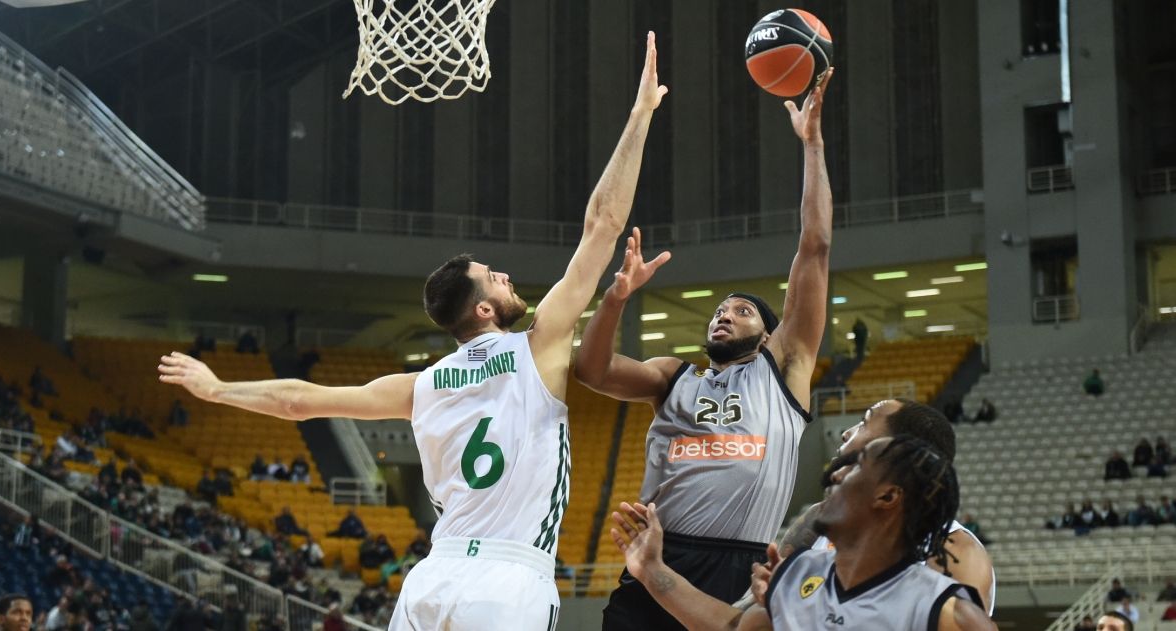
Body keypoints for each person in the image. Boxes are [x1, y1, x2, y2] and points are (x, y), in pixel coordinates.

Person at [159, 30, 667, 631]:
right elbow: (603, 223)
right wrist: (640, 115)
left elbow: (298, 401)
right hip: (509, 578)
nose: (505, 276)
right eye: (493, 278)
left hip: (433, 577)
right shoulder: (539, 347)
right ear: (483, 311)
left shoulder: (420, 384)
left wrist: (217, 388)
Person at [575, 69, 835, 631]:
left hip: (741, 563)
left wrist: (812, 146)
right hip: (660, 552)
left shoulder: (783, 367)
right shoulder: (675, 376)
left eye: (742, 310)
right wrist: (614, 299)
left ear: (767, 335)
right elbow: (591, 371)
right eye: (720, 309)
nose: (724, 314)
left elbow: (814, 247)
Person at [610, 436, 995, 630]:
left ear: (888, 497)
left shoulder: (941, 609)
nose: (837, 474)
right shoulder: (800, 572)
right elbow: (732, 627)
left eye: (858, 466)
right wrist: (650, 569)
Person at [774, 399, 996, 614]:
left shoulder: (956, 554)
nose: (846, 433)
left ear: (898, 451)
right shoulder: (818, 519)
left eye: (864, 422)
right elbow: (762, 606)